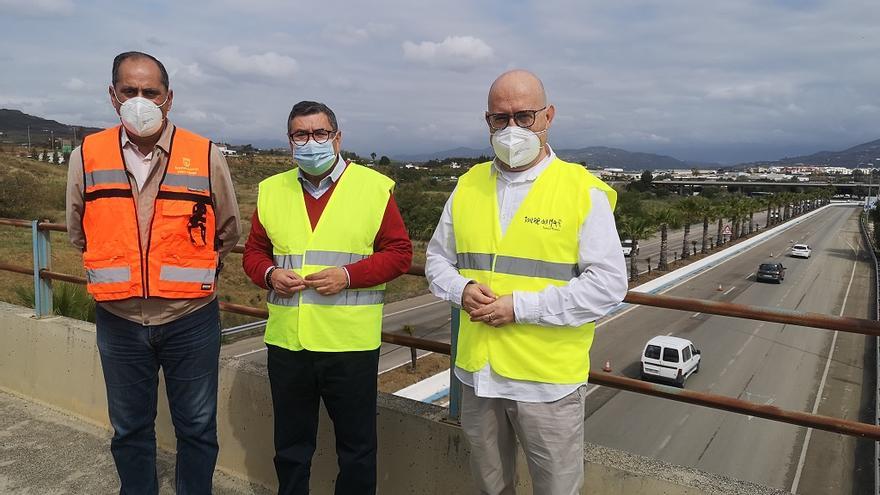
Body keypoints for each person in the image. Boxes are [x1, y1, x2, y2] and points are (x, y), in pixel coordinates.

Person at [425, 70, 628, 495]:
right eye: (501, 118)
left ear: (548, 116)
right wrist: (461, 290)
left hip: (546, 382)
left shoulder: (581, 191)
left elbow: (608, 285)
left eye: (525, 116)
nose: (513, 128)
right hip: (478, 376)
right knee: (490, 488)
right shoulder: (467, 187)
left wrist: (519, 307)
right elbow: (436, 261)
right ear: (488, 122)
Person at [66, 51, 241, 494]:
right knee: (129, 429)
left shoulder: (203, 154)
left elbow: (228, 230)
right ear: (112, 95)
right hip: (119, 318)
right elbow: (77, 229)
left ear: (168, 99)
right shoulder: (87, 154)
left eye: (151, 92)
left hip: (191, 317)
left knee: (198, 428)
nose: (140, 100)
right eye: (130, 91)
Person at [242, 100, 412, 495]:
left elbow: (400, 254)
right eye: (301, 134)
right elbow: (253, 253)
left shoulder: (372, 188)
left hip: (349, 345)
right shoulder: (271, 190)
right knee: (290, 448)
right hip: (288, 343)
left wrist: (348, 276)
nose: (311, 142)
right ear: (290, 143)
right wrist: (269, 274)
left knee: (356, 450)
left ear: (337, 138)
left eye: (320, 133)